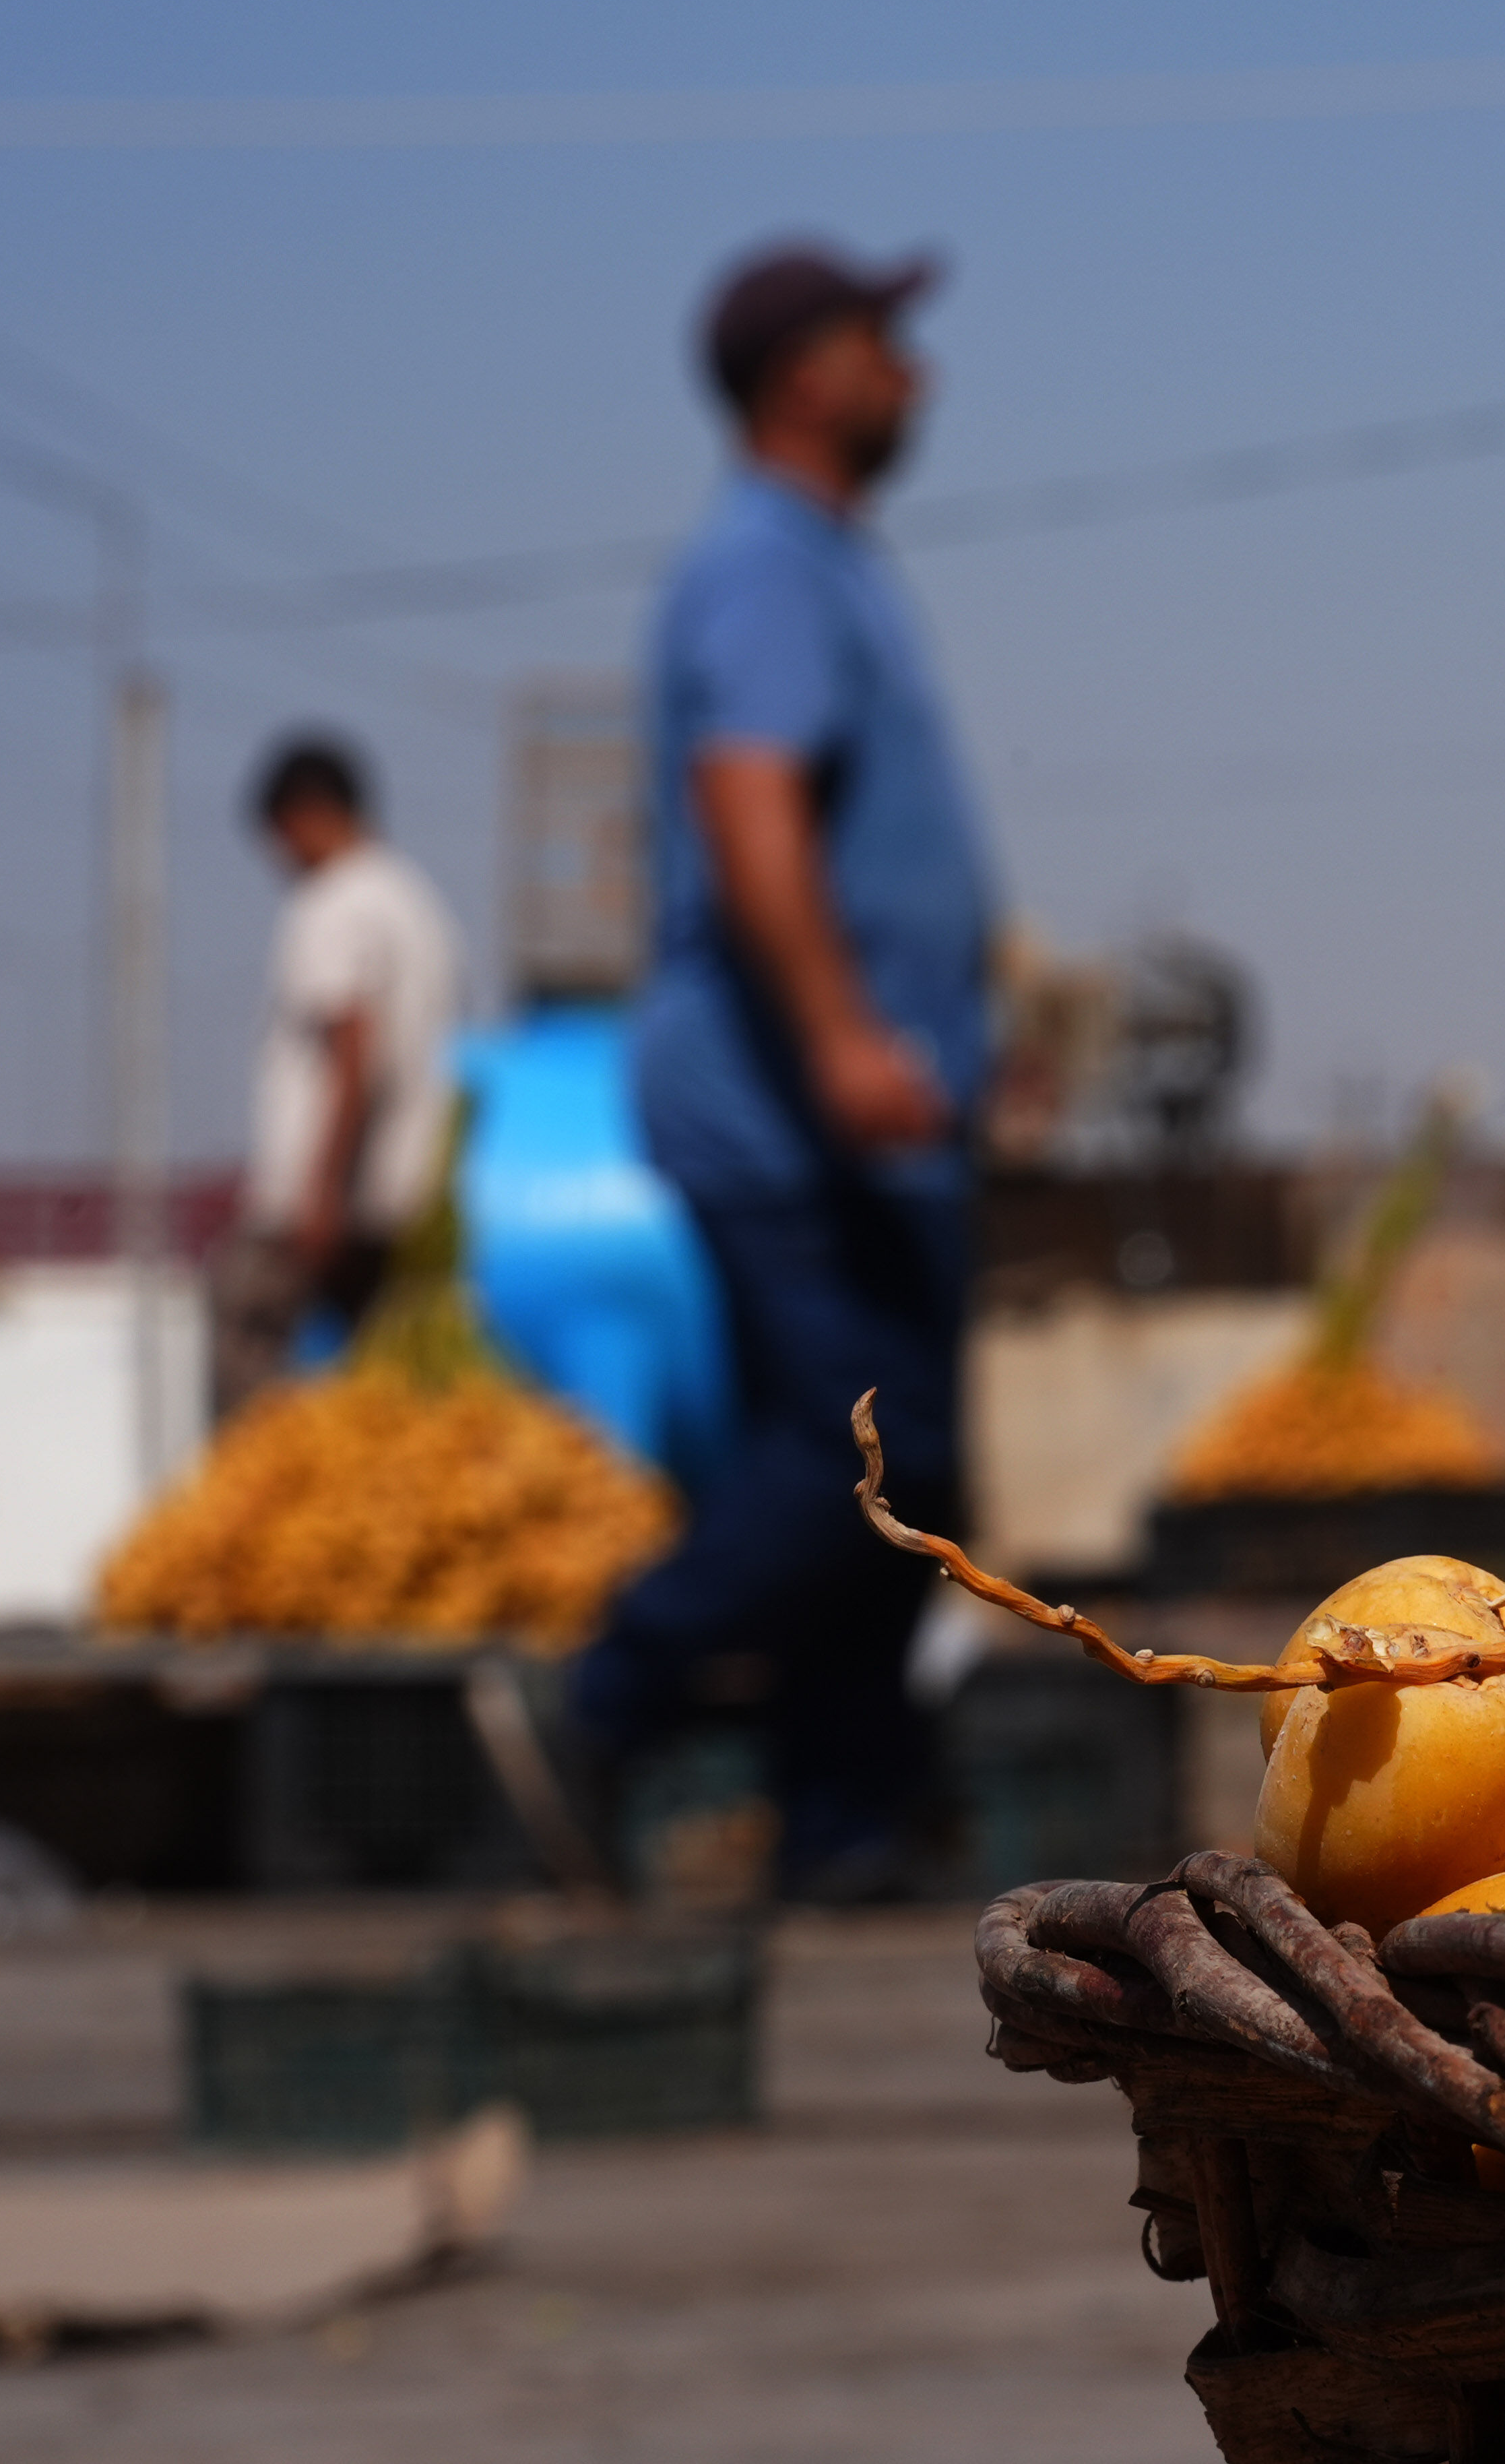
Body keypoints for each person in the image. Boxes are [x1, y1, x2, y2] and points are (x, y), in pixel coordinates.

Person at [573, 240, 996, 1902]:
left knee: (889, 1462)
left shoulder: (820, 563)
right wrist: (838, 1037)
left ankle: (841, 1816)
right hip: (791, 1115)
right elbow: (750, 804)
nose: (919, 373)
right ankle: (601, 1695)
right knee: (866, 1460)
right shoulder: (763, 566)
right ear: (805, 375)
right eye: (887, 343)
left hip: (847, 1114)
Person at [213, 734, 461, 1417]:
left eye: (280, 837)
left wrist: (322, 1192)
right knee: (380, 1389)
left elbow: (354, 1046)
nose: (280, 860)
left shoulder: (333, 904)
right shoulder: (414, 901)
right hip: (403, 1195)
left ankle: (257, 1511)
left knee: (245, 1333)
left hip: (325, 1198)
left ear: (308, 814)